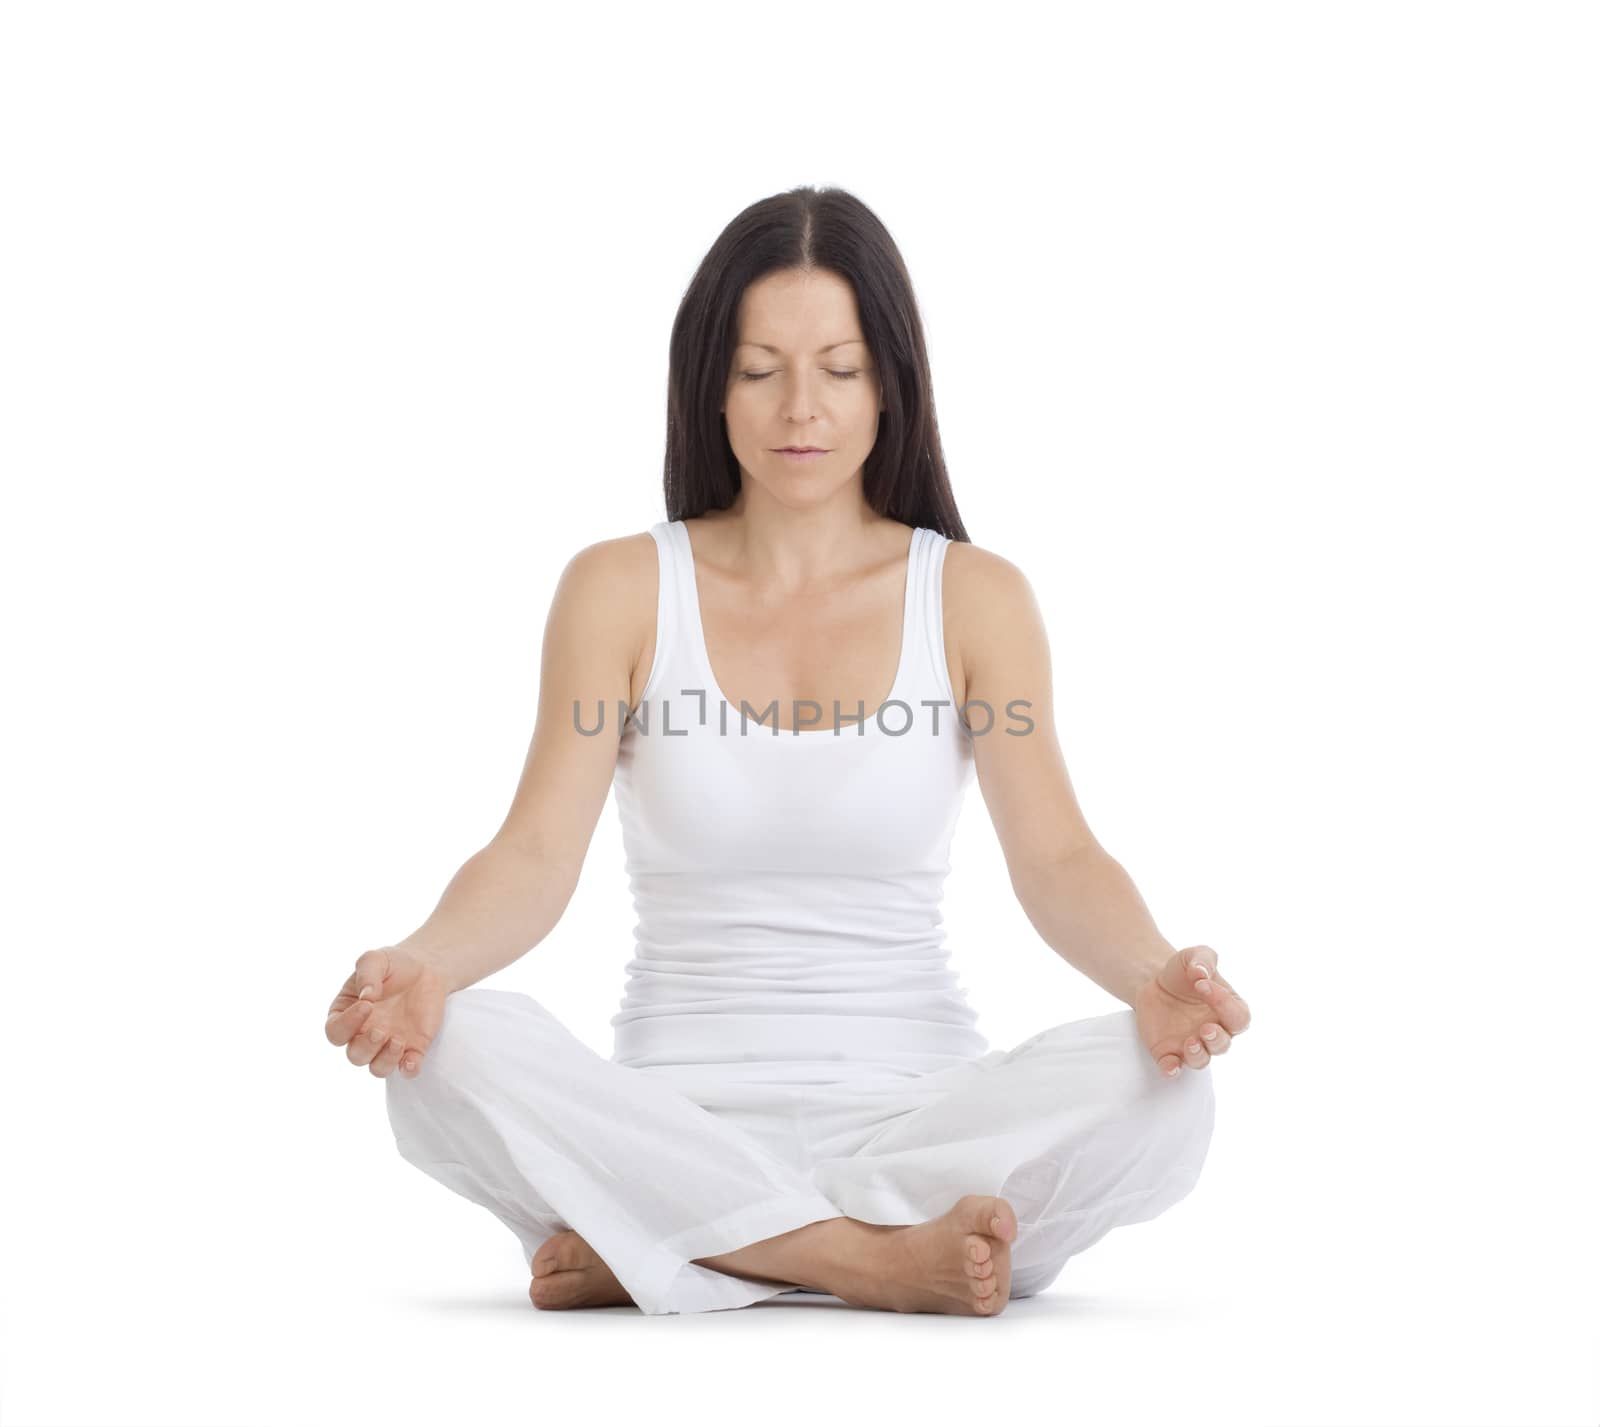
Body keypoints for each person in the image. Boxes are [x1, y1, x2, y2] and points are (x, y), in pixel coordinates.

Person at [323, 185, 1252, 1317]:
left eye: (840, 369)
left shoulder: (972, 597)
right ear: (709, 381)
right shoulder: (619, 589)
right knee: (449, 1046)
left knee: (1167, 1097)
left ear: (890, 383)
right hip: (670, 1112)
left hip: (918, 1111)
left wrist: (1152, 977)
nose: (798, 408)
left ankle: (678, 1241)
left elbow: (1058, 859)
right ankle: (856, 1256)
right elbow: (530, 854)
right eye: (759, 369)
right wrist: (425, 960)